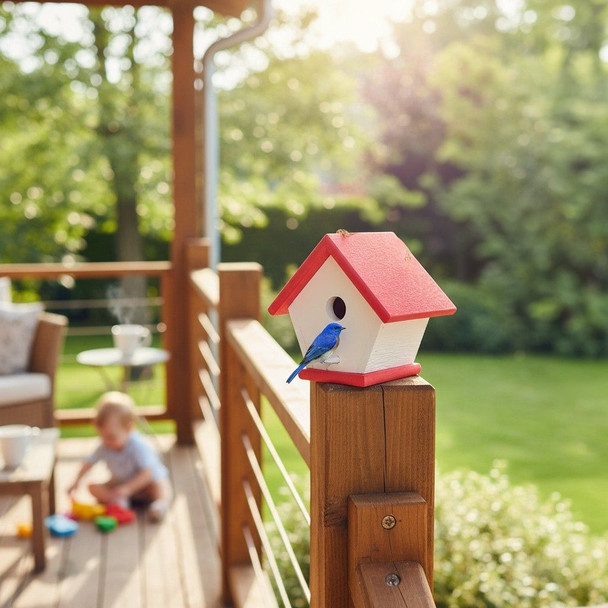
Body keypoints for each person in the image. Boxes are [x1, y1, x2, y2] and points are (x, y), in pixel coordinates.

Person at [68, 391, 171, 522]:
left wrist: (128, 489)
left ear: (128, 428)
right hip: (121, 485)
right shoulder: (105, 445)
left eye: (111, 437)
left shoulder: (138, 446)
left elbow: (147, 473)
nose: (106, 441)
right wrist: (75, 482)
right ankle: (118, 502)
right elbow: (88, 463)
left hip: (144, 486)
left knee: (160, 482)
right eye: (102, 436)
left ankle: (160, 505)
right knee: (92, 487)